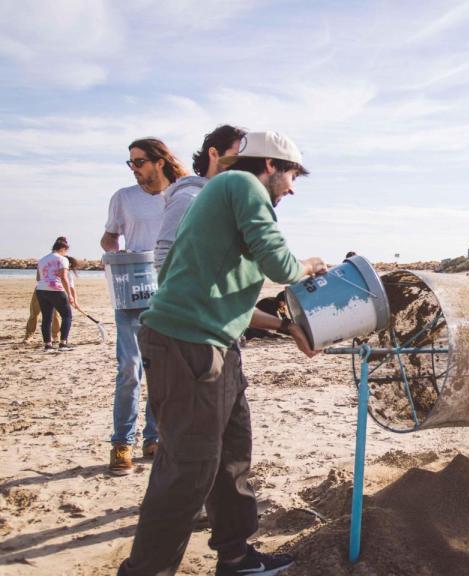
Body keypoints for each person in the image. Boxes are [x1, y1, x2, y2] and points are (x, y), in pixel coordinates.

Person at [117, 131, 326, 576]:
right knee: (186, 472)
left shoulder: (225, 202)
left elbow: (227, 296)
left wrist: (288, 327)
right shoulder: (241, 185)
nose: (292, 188)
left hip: (216, 343)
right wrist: (309, 265)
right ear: (269, 165)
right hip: (188, 345)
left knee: (232, 458)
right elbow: (281, 265)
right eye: (291, 175)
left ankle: (236, 557)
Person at [101, 138, 188, 475]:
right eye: (131, 163)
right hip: (130, 294)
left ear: (160, 161)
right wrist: (114, 253)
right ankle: (122, 443)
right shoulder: (123, 198)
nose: (133, 169)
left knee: (162, 372)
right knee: (129, 370)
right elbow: (109, 237)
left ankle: (154, 437)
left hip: (170, 295)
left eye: (138, 162)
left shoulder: (182, 196)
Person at [154, 125, 246, 271]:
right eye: (236, 157)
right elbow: (163, 259)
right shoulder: (188, 198)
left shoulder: (236, 201)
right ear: (214, 154)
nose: (242, 166)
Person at [34, 236, 77, 352]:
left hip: (41, 290)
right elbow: (64, 278)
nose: (66, 253)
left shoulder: (42, 259)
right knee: (67, 315)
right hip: (56, 290)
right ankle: (63, 343)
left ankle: (48, 345)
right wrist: (70, 295)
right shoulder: (63, 259)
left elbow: (38, 278)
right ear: (63, 248)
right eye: (66, 250)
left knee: (46, 318)